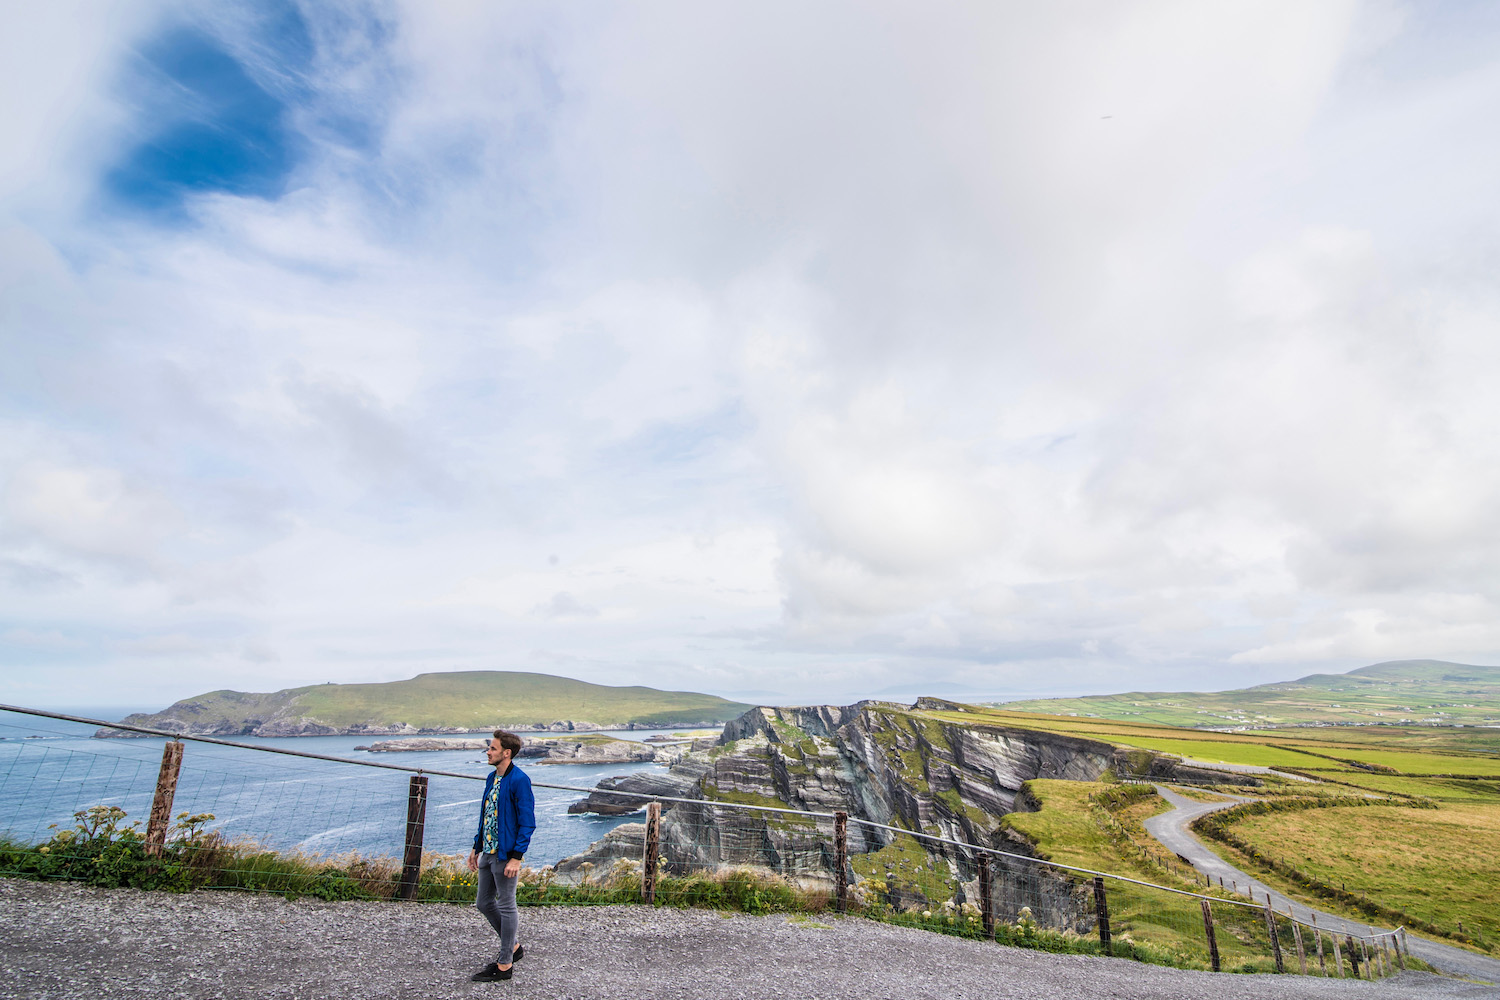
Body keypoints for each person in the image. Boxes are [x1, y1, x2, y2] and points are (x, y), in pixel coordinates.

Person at [467, 729, 536, 983]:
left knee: (507, 905)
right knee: (484, 903)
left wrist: (517, 857)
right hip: (487, 852)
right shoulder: (491, 778)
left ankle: (505, 964)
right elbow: (486, 815)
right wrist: (476, 847)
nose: (488, 751)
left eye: (493, 748)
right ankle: (514, 947)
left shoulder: (519, 780)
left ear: (506, 753)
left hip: (506, 855)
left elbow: (527, 822)